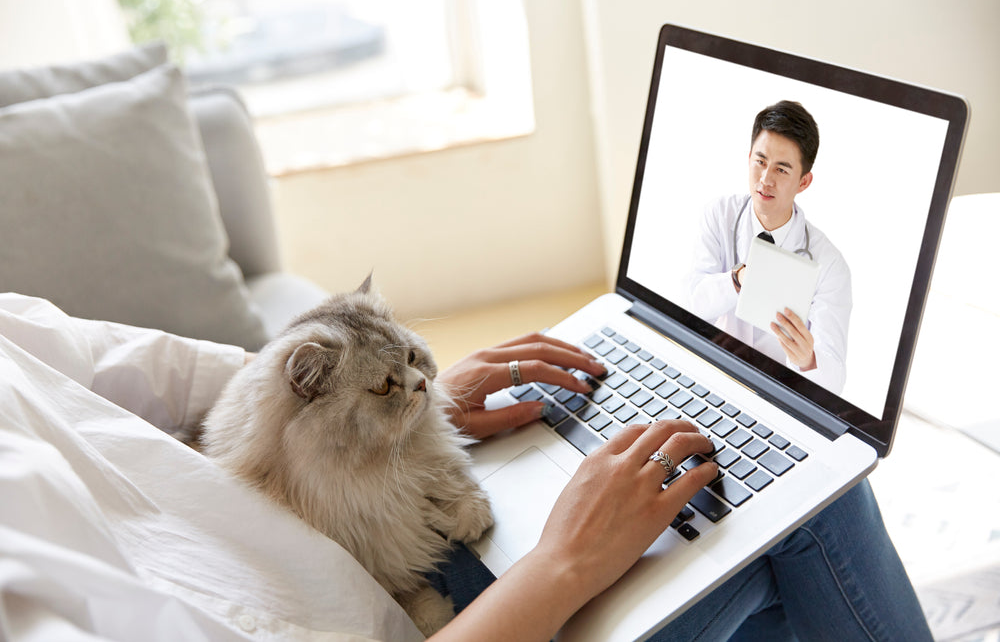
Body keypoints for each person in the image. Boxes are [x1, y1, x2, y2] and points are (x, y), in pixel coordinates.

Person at [0, 293, 931, 641]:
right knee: (808, 501)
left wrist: (403, 408)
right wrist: (560, 566)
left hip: (366, 553)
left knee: (757, 539)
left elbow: (140, 368)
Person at [687, 100, 852, 394]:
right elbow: (690, 306)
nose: (765, 179)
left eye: (782, 169)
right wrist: (736, 280)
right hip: (712, 376)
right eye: (760, 161)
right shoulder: (719, 215)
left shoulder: (830, 265)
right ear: (749, 156)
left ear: (804, 182)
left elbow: (834, 378)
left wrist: (807, 359)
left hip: (775, 395)